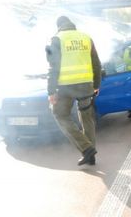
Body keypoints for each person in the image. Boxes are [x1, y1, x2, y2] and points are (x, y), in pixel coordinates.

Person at [46, 16, 102, 166]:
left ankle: (86, 148)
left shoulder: (56, 39)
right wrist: (96, 84)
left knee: (60, 114)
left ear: (58, 26)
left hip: (66, 87)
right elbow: (96, 63)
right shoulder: (86, 38)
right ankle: (91, 155)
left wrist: (51, 91)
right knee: (87, 118)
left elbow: (53, 68)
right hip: (86, 85)